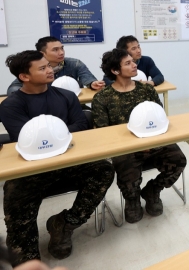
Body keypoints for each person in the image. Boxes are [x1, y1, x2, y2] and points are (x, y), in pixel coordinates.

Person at [0, 51, 114, 266]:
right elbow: (23, 138)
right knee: (15, 204)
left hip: (68, 161)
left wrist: (50, 134)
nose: (50, 70)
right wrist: (61, 133)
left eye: (48, 66)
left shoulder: (66, 96)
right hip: (31, 170)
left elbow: (81, 126)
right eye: (42, 68)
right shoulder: (11, 105)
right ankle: (28, 258)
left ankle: (64, 224)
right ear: (24, 76)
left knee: (103, 170)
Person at [91, 48, 186, 224]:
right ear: (115, 71)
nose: (134, 65)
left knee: (178, 159)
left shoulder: (146, 90)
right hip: (125, 148)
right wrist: (136, 144)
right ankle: (132, 199)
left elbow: (159, 116)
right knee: (127, 169)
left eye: (133, 61)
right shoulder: (102, 98)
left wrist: (152, 141)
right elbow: (103, 133)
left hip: (154, 141)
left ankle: (152, 190)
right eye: (128, 63)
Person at [6, 36, 105, 95]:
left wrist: (92, 83)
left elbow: (88, 78)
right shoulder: (33, 67)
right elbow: (14, 88)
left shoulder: (74, 63)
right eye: (55, 50)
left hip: (73, 103)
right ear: (42, 53)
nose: (61, 52)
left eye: (62, 48)